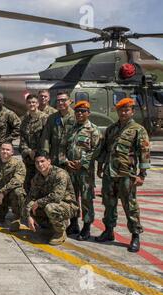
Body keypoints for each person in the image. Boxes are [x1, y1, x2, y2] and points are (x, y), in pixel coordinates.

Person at [95, 98, 151, 253]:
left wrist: (142, 175)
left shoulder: (138, 129)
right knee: (108, 203)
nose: (123, 113)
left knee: (130, 205)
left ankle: (135, 236)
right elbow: (104, 149)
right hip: (110, 173)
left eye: (127, 110)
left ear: (132, 111)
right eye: (121, 110)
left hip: (127, 174)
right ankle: (108, 231)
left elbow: (144, 153)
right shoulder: (111, 129)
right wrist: (100, 167)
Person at [23, 151, 79, 246]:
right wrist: (29, 215)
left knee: (50, 208)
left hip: (68, 205)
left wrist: (38, 202)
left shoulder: (60, 174)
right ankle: (50, 226)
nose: (40, 164)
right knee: (28, 207)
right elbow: (30, 197)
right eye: (37, 162)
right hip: (49, 203)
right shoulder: (37, 177)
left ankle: (60, 232)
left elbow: (57, 197)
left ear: (49, 161)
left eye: (42, 161)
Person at [64, 101, 101, 240]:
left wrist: (82, 163)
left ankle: (86, 227)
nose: (80, 113)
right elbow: (64, 147)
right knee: (72, 198)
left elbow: (95, 151)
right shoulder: (71, 129)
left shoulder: (93, 130)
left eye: (83, 111)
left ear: (88, 113)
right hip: (71, 170)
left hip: (85, 172)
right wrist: (66, 161)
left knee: (86, 199)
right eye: (77, 111)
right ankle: (74, 224)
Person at [0, 143, 26, 228]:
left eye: (7, 150)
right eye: (3, 149)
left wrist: (2, 193)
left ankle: (16, 218)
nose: (5, 151)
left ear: (12, 152)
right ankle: (2, 212)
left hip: (11, 195)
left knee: (18, 192)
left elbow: (17, 181)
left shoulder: (18, 164)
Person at [19, 94, 48, 192]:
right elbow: (22, 139)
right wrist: (28, 151)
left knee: (41, 185)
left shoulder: (44, 118)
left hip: (41, 158)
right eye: (29, 102)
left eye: (34, 102)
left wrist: (38, 152)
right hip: (28, 159)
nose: (32, 104)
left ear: (38, 104)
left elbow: (47, 138)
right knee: (27, 184)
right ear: (26, 104)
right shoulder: (23, 120)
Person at [40, 91, 75, 167]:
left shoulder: (76, 117)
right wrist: (45, 154)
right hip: (54, 158)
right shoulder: (52, 118)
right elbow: (46, 137)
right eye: (58, 100)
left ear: (69, 101)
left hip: (70, 159)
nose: (60, 102)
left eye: (63, 100)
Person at [0, 92, 21, 161]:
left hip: (4, 150)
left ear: (3, 102)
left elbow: (19, 126)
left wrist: (9, 139)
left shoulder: (9, 114)